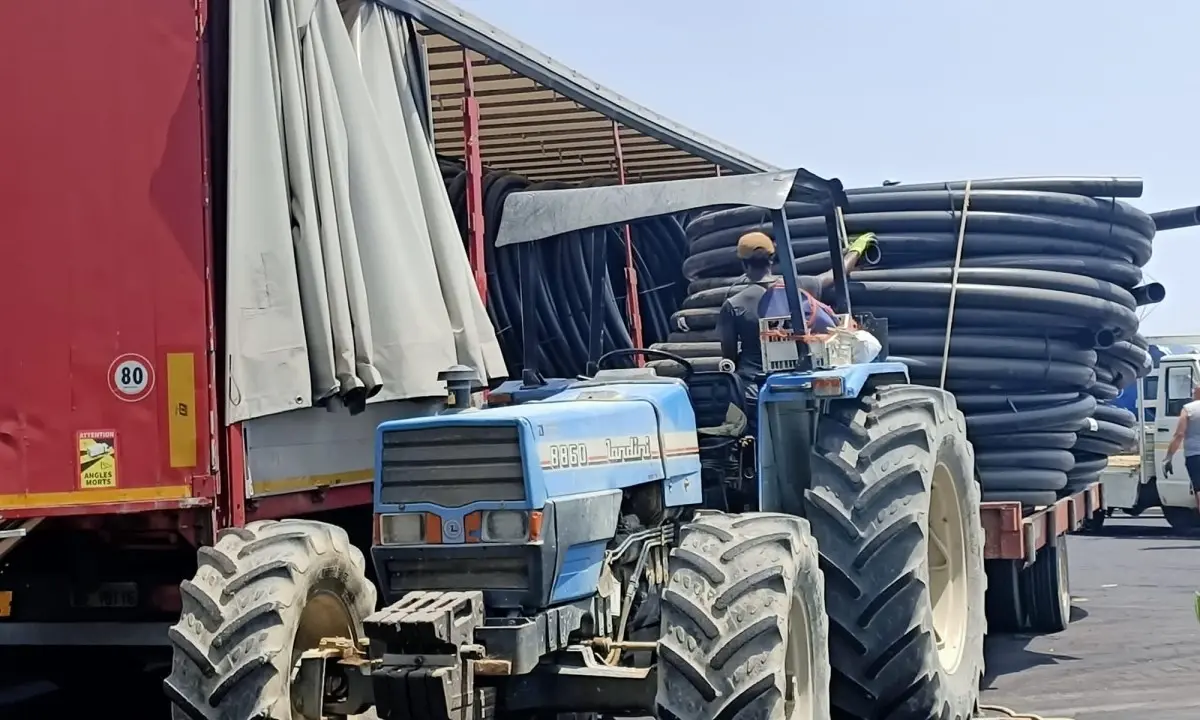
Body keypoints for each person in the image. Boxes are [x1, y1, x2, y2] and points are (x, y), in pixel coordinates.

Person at [717, 230, 876, 424]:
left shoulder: (734, 305)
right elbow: (838, 273)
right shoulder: (800, 287)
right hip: (801, 381)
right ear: (772, 258)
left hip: (754, 389)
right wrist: (856, 250)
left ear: (743, 264)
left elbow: (729, 357)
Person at [1164, 384, 1200, 512]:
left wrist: (1168, 458)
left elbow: (1179, 434)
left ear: (1196, 392)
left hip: (1195, 455)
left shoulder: (1188, 409)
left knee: (1199, 489)